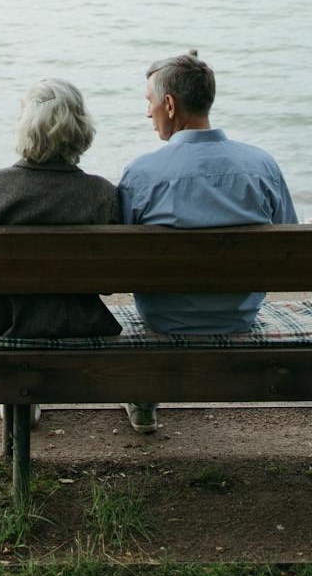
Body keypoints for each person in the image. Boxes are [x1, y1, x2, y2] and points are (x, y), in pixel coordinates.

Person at [116, 54, 298, 432]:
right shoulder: (261, 165)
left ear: (169, 104)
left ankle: (145, 394)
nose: (148, 113)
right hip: (238, 314)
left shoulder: (142, 173)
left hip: (163, 318)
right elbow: (288, 241)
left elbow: (122, 258)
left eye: (149, 102)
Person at [0, 78, 122, 339]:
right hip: (80, 327)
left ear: (24, 126)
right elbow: (108, 284)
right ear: (80, 127)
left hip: (2, 327)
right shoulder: (103, 194)